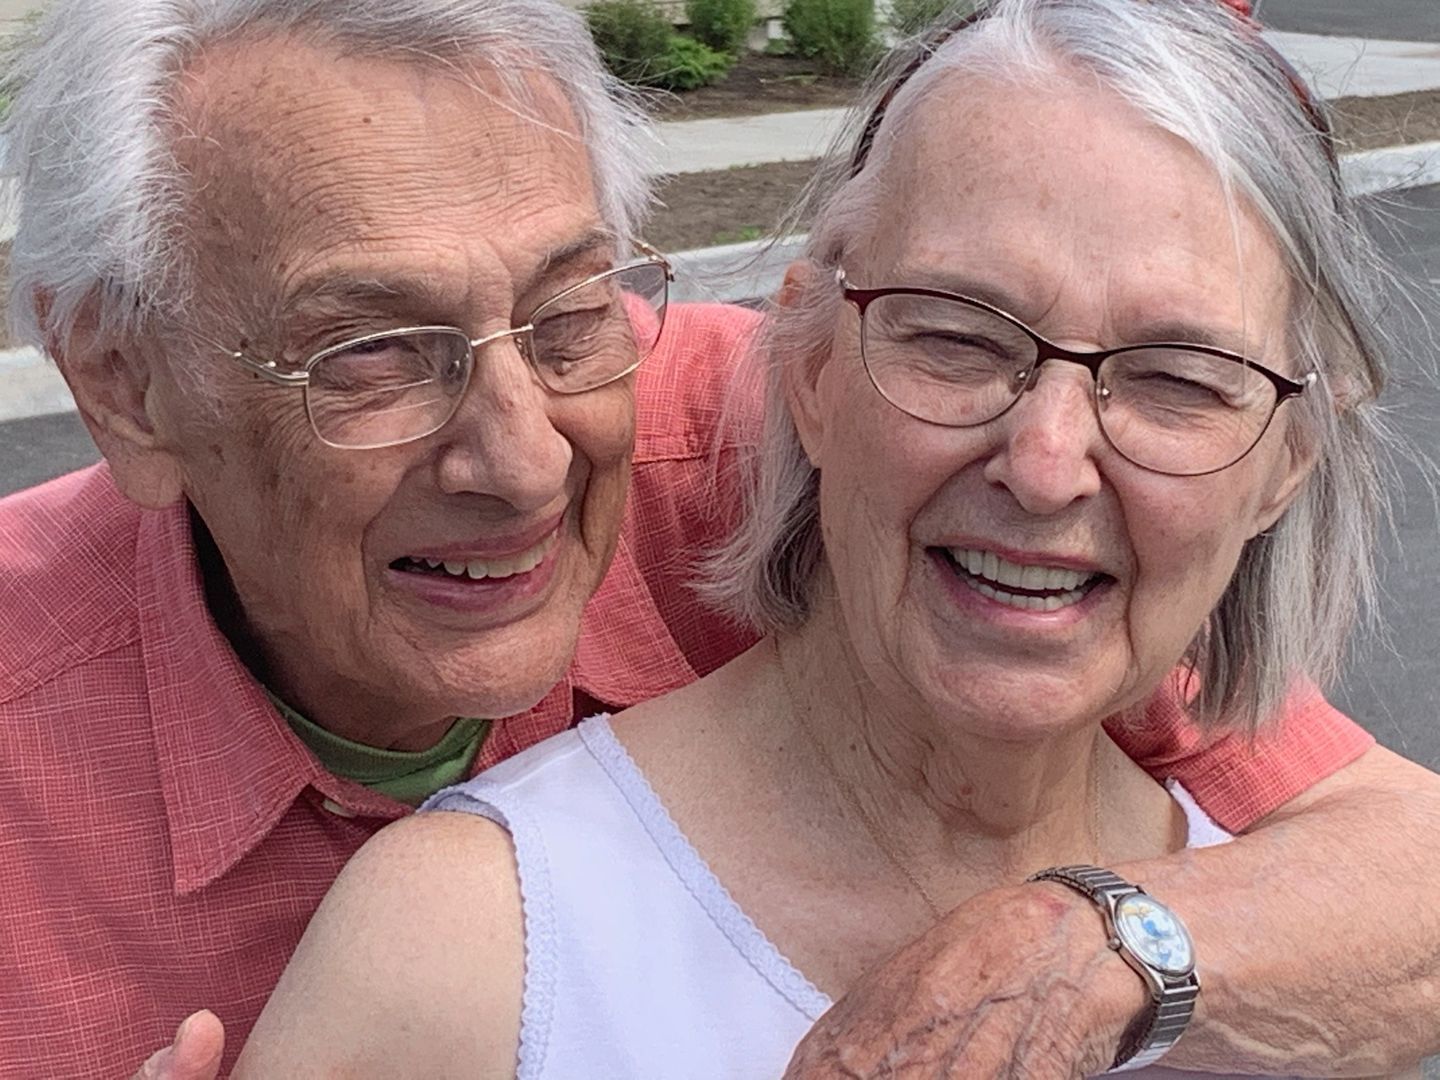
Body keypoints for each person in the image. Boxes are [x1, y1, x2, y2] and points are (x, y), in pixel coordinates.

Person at [0, 0, 1433, 1077]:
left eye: (571, 314)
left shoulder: (806, 433)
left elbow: (1392, 856)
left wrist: (1074, 954)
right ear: (122, 384)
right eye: (370, 354)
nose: (520, 461)